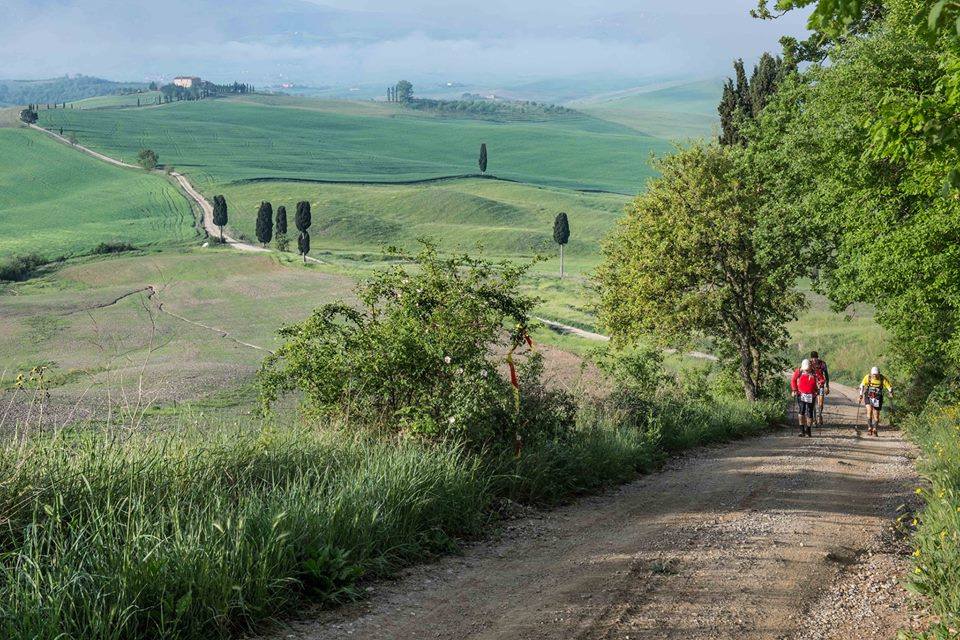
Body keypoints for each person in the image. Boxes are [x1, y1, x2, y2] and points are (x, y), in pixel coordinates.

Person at [859, 366, 893, 436]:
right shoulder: (867, 377)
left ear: (879, 373)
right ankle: (869, 428)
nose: (875, 376)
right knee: (869, 411)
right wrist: (860, 395)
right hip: (868, 396)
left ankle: (875, 429)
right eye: (873, 374)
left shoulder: (882, 378)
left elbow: (889, 386)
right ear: (871, 374)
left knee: (876, 415)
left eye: (876, 374)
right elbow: (862, 385)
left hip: (878, 397)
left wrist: (890, 392)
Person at [791, 359, 819, 437]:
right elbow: (793, 380)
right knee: (801, 410)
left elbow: (821, 379)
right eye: (805, 369)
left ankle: (808, 430)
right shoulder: (799, 371)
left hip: (811, 394)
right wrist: (794, 390)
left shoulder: (814, 372)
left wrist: (820, 384)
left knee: (810, 412)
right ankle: (802, 430)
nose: (806, 370)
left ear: (810, 366)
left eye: (807, 369)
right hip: (801, 394)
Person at [809, 351, 830, 426]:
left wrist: (827, 386)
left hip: (820, 385)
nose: (814, 360)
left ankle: (819, 415)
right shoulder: (809, 364)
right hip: (811, 385)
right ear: (811, 358)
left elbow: (826, 375)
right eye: (813, 358)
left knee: (820, 403)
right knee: (813, 403)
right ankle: (814, 419)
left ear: (817, 358)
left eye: (815, 358)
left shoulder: (822, 364)